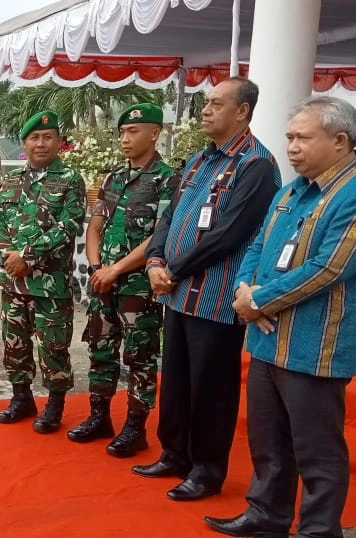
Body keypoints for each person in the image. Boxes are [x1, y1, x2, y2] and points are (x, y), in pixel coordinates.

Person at [204, 96, 356, 538]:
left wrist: (259, 300)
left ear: (340, 140)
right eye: (289, 137)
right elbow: (258, 246)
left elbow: (331, 266)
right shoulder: (292, 192)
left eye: (302, 137)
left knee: (317, 447)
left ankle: (318, 535)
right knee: (268, 437)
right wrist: (246, 291)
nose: (291, 146)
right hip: (268, 339)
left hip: (314, 343)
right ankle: (268, 512)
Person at [135, 77, 281, 501]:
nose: (205, 110)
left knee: (211, 389)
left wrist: (174, 269)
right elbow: (169, 215)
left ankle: (207, 469)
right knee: (177, 379)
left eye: (216, 103)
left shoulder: (256, 165)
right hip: (178, 294)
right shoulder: (200, 159)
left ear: (243, 111)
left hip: (215, 300)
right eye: (206, 102)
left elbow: (229, 233)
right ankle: (175, 454)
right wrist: (156, 260)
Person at [67, 103, 179, 457]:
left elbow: (162, 234)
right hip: (105, 282)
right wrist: (99, 266)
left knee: (139, 356)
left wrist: (117, 269)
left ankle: (136, 427)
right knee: (100, 349)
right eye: (122, 133)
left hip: (138, 286)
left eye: (133, 132)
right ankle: (99, 417)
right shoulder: (113, 177)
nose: (125, 139)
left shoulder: (168, 179)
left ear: (155, 133)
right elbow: (95, 226)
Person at [0, 109, 86, 429]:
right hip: (13, 283)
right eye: (35, 138)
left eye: (48, 137)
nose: (41, 144)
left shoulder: (71, 180)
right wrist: (9, 256)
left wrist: (27, 258)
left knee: (53, 346)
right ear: (25, 143)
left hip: (50, 283)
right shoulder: (12, 180)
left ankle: (55, 404)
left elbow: (68, 226)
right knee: (14, 343)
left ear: (59, 141)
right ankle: (22, 398)